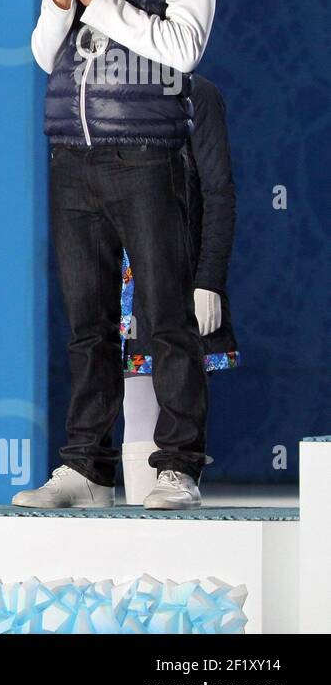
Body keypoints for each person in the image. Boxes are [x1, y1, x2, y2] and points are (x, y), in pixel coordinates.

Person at [11, 0, 219, 510]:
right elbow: (44, 55)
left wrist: (99, 1)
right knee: (86, 325)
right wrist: (64, 3)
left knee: (166, 317)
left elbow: (183, 47)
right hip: (73, 152)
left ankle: (178, 464)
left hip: (149, 153)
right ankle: (86, 466)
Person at [120, 74, 239, 503]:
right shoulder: (106, 94)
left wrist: (208, 278)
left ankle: (177, 481)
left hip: (177, 266)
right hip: (124, 271)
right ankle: (137, 534)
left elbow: (218, 191)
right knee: (133, 396)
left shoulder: (198, 94)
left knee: (177, 383)